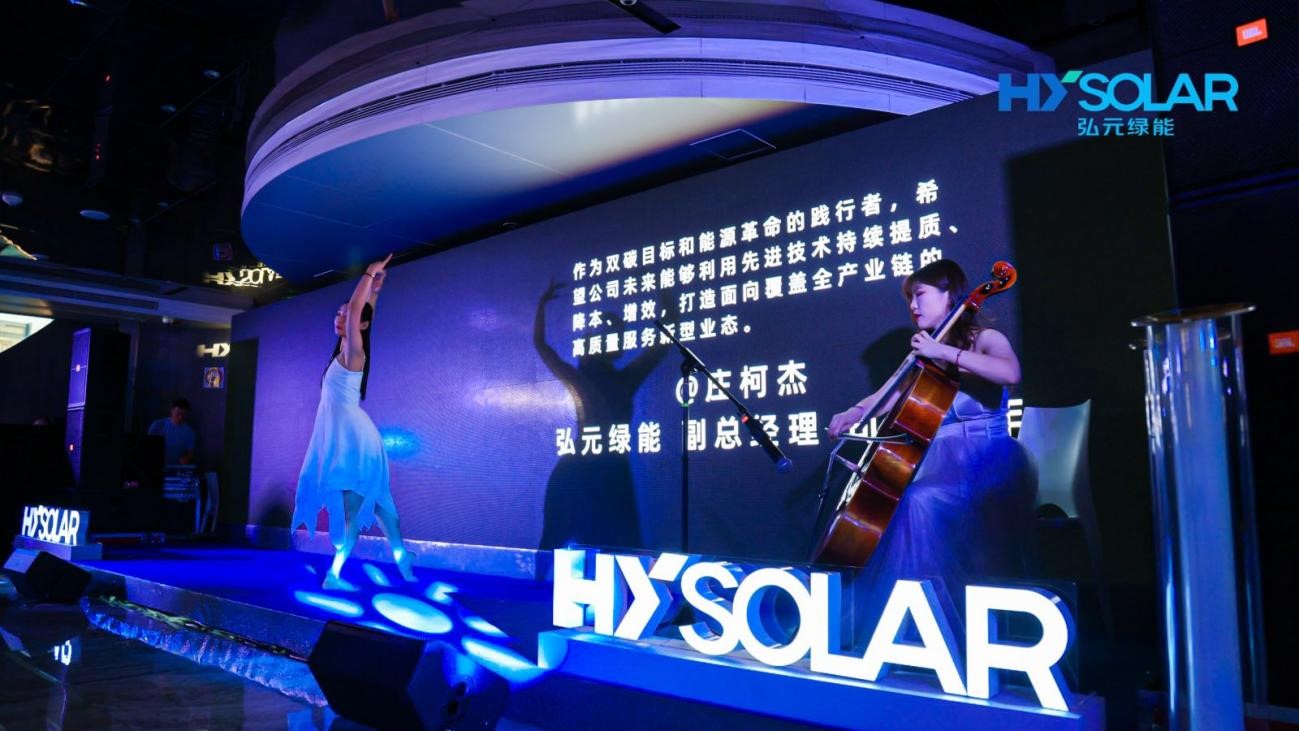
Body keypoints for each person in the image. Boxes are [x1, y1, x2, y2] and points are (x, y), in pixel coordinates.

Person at [827, 259, 1037, 636]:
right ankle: (921, 626)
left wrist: (944, 353)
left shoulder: (984, 339)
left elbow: (1010, 372)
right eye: (910, 298)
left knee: (919, 500)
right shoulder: (923, 354)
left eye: (920, 295)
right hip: (940, 464)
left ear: (948, 295)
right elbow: (888, 395)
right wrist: (853, 413)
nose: (913, 305)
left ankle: (946, 626)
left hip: (986, 460)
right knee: (903, 500)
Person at [291, 254, 416, 590]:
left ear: (359, 324)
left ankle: (335, 574)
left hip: (354, 441)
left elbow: (361, 314)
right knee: (377, 503)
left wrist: (368, 274)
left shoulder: (354, 354)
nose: (341, 317)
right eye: (339, 312)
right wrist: (375, 291)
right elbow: (364, 312)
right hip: (347, 437)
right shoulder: (343, 351)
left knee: (356, 508)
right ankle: (402, 556)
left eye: (347, 314)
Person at [148, 398, 197, 466]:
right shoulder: (158, 425)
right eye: (178, 413)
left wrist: (186, 459)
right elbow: (147, 446)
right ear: (172, 410)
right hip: (156, 465)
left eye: (184, 414)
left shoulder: (189, 432)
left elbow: (191, 452)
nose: (180, 417)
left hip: (176, 467)